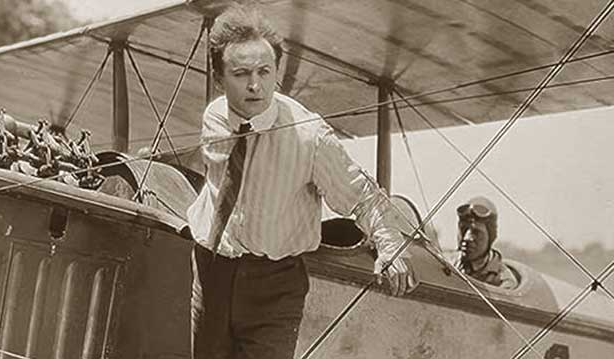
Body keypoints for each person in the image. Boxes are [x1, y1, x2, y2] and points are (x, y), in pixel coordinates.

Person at [186, 5, 417, 359]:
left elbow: (362, 197)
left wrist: (390, 247)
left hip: (274, 285)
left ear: (277, 71)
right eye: (241, 73)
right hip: (211, 271)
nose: (255, 85)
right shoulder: (214, 116)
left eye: (265, 71)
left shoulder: (311, 137)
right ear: (219, 79)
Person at [454, 196, 518, 289]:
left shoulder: (503, 282)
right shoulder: (447, 264)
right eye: (463, 230)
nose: (467, 238)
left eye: (476, 233)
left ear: (490, 238)